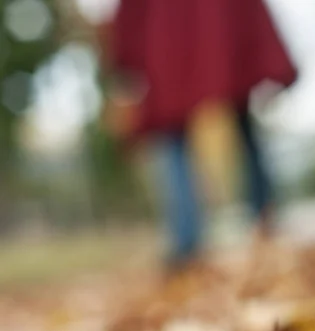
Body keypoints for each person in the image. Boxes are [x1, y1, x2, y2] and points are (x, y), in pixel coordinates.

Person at [108, 0, 297, 266]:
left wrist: (124, 62)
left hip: (168, 45)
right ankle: (261, 217)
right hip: (217, 37)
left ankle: (188, 237)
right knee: (232, 123)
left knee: (175, 134)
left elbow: (130, 14)